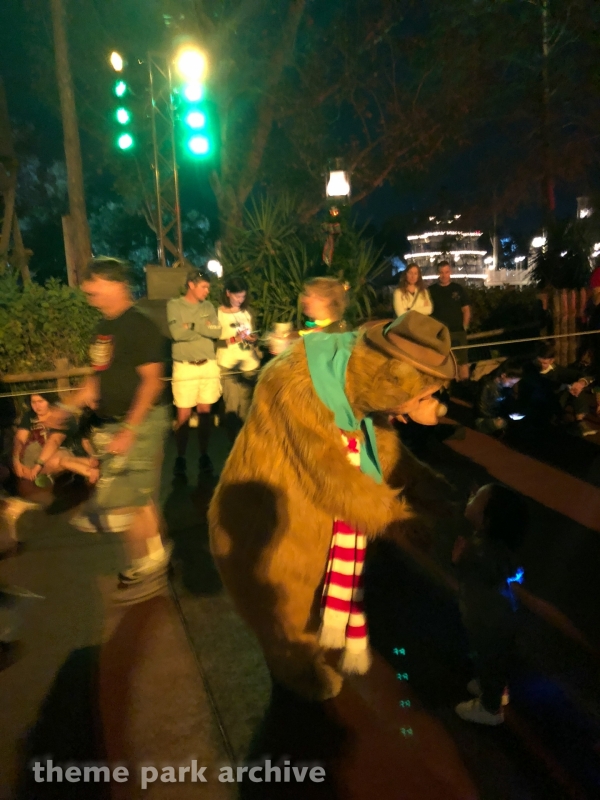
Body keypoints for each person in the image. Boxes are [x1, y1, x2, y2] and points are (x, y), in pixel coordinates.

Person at [47, 257, 172, 603]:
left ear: (117, 284)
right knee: (139, 497)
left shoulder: (140, 326)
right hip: (117, 422)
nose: (87, 288)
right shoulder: (103, 328)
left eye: (94, 281)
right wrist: (66, 407)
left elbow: (152, 382)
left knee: (123, 503)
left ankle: (148, 569)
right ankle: (154, 558)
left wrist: (130, 428)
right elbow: (96, 381)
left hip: (142, 421)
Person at [453, 484, 529, 726]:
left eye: (477, 497)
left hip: (489, 620)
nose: (471, 495)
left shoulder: (480, 551)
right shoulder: (493, 545)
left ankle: (490, 708)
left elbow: (477, 574)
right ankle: (496, 688)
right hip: (496, 616)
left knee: (490, 660)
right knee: (495, 659)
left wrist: (460, 559)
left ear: (487, 519)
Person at [167, 268, 222, 477]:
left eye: (208, 287)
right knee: (183, 415)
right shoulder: (174, 305)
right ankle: (180, 457)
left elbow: (217, 331)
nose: (207, 291)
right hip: (185, 366)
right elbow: (176, 333)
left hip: (208, 364)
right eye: (204, 287)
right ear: (191, 285)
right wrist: (203, 328)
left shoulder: (208, 306)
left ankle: (204, 455)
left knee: (205, 413)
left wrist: (191, 325)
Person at [12, 394, 98, 485]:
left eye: (40, 401)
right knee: (22, 468)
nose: (37, 406)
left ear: (49, 401)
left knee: (60, 459)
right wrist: (16, 460)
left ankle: (93, 473)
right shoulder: (29, 416)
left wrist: (37, 466)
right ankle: (97, 470)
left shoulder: (62, 416)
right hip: (36, 458)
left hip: (61, 454)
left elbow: (54, 442)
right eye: (33, 402)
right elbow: (19, 439)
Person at [216, 276, 261, 441]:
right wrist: (235, 339)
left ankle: (247, 442)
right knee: (232, 407)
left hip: (250, 365)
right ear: (228, 293)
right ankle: (233, 442)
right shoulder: (218, 314)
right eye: (237, 296)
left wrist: (253, 339)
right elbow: (214, 342)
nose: (240, 300)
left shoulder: (247, 312)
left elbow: (255, 335)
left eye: (243, 296)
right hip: (229, 365)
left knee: (247, 408)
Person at [519, 341, 595, 436]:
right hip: (539, 403)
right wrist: (563, 386)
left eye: (544, 363)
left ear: (551, 361)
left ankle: (580, 422)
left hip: (556, 399)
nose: (541, 365)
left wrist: (580, 383)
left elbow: (580, 375)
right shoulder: (529, 369)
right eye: (539, 362)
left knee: (576, 389)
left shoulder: (556, 370)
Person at [429, 261, 471, 382]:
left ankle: (465, 386)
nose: (444, 275)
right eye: (441, 272)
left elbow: (466, 309)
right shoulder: (431, 290)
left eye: (446, 272)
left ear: (450, 272)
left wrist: (464, 327)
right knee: (443, 363)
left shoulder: (458, 289)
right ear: (438, 273)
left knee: (462, 362)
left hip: (457, 332)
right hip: (439, 334)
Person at [475, 361, 523, 435]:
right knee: (501, 423)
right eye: (511, 383)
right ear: (503, 375)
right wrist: (499, 417)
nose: (511, 386)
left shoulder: (506, 388)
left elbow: (506, 403)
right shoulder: (487, 386)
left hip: (498, 415)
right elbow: (481, 410)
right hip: (483, 418)